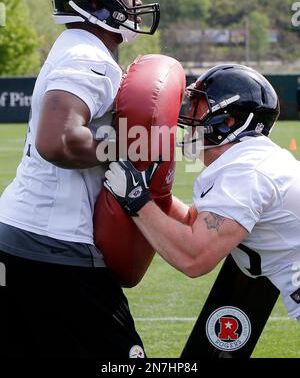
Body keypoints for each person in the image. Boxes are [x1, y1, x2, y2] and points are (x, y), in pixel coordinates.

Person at [0, 0, 159, 358]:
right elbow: (60, 140)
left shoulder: (75, 46)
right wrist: (137, 144)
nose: (135, 3)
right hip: (54, 247)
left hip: (19, 233)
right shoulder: (91, 56)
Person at [104, 63, 300, 325]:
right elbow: (193, 223)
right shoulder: (250, 161)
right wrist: (155, 193)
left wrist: (136, 199)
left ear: (229, 121)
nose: (188, 114)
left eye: (199, 105)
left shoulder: (246, 172)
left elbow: (194, 257)